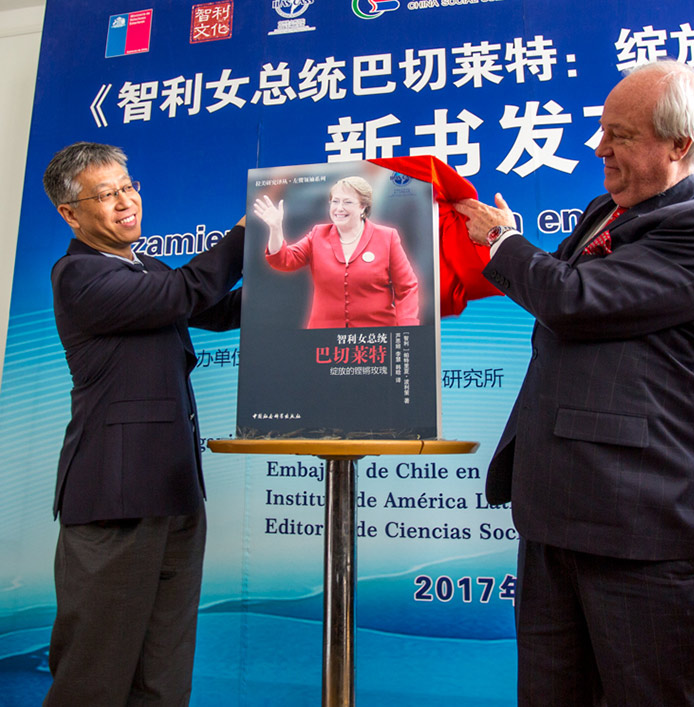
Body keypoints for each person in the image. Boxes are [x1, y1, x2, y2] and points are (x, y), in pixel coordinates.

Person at [454, 60, 694, 706]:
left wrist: (504, 245)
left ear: (679, 147)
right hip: (555, 511)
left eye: (620, 134)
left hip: (641, 525)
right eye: (601, 129)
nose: (599, 148)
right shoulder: (603, 211)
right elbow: (551, 289)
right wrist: (500, 247)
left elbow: (573, 299)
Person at [41, 141, 244, 706]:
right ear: (71, 213)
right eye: (106, 195)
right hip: (115, 499)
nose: (126, 201)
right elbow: (187, 291)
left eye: (128, 187)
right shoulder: (77, 276)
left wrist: (311, 278)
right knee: (95, 671)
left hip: (176, 491)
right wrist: (248, 233)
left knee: (164, 667)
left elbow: (220, 308)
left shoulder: (147, 268)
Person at [254, 176, 419, 328]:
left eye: (347, 202)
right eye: (335, 202)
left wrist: (408, 327)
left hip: (375, 337)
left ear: (363, 207)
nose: (339, 208)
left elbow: (407, 287)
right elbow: (283, 260)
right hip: (325, 340)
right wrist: (275, 228)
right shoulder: (318, 234)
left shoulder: (387, 237)